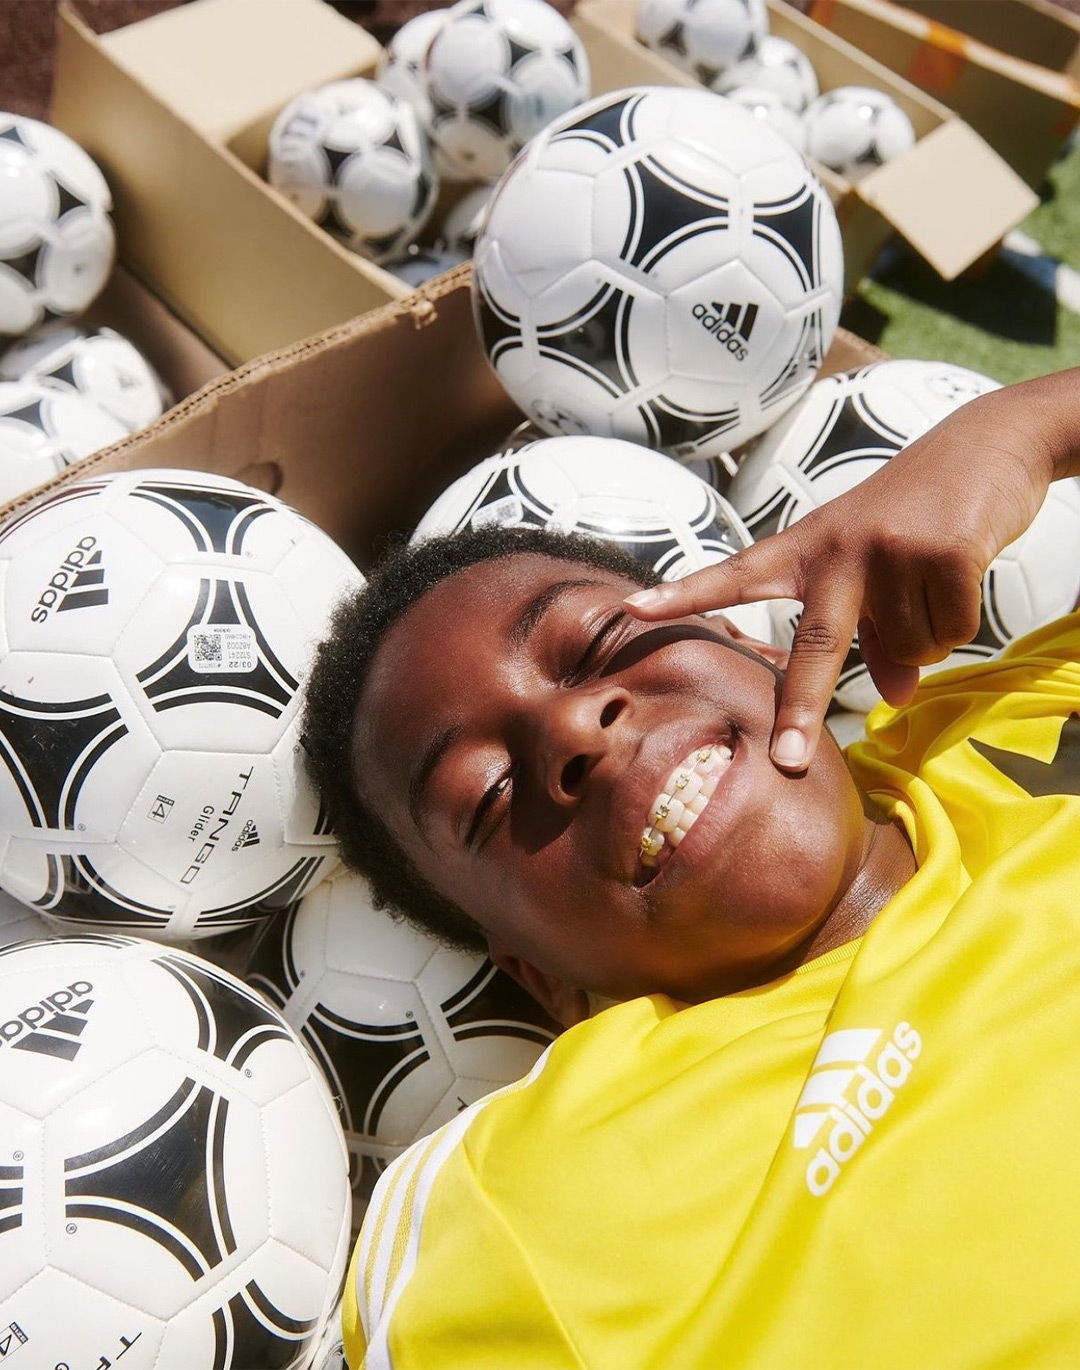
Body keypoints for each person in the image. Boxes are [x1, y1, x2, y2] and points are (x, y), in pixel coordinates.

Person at [303, 366, 1080, 1368]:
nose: (575, 726)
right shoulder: (532, 1209)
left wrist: (1021, 429)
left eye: (595, 642)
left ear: (739, 637)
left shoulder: (1028, 711)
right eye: (488, 797)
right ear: (541, 976)